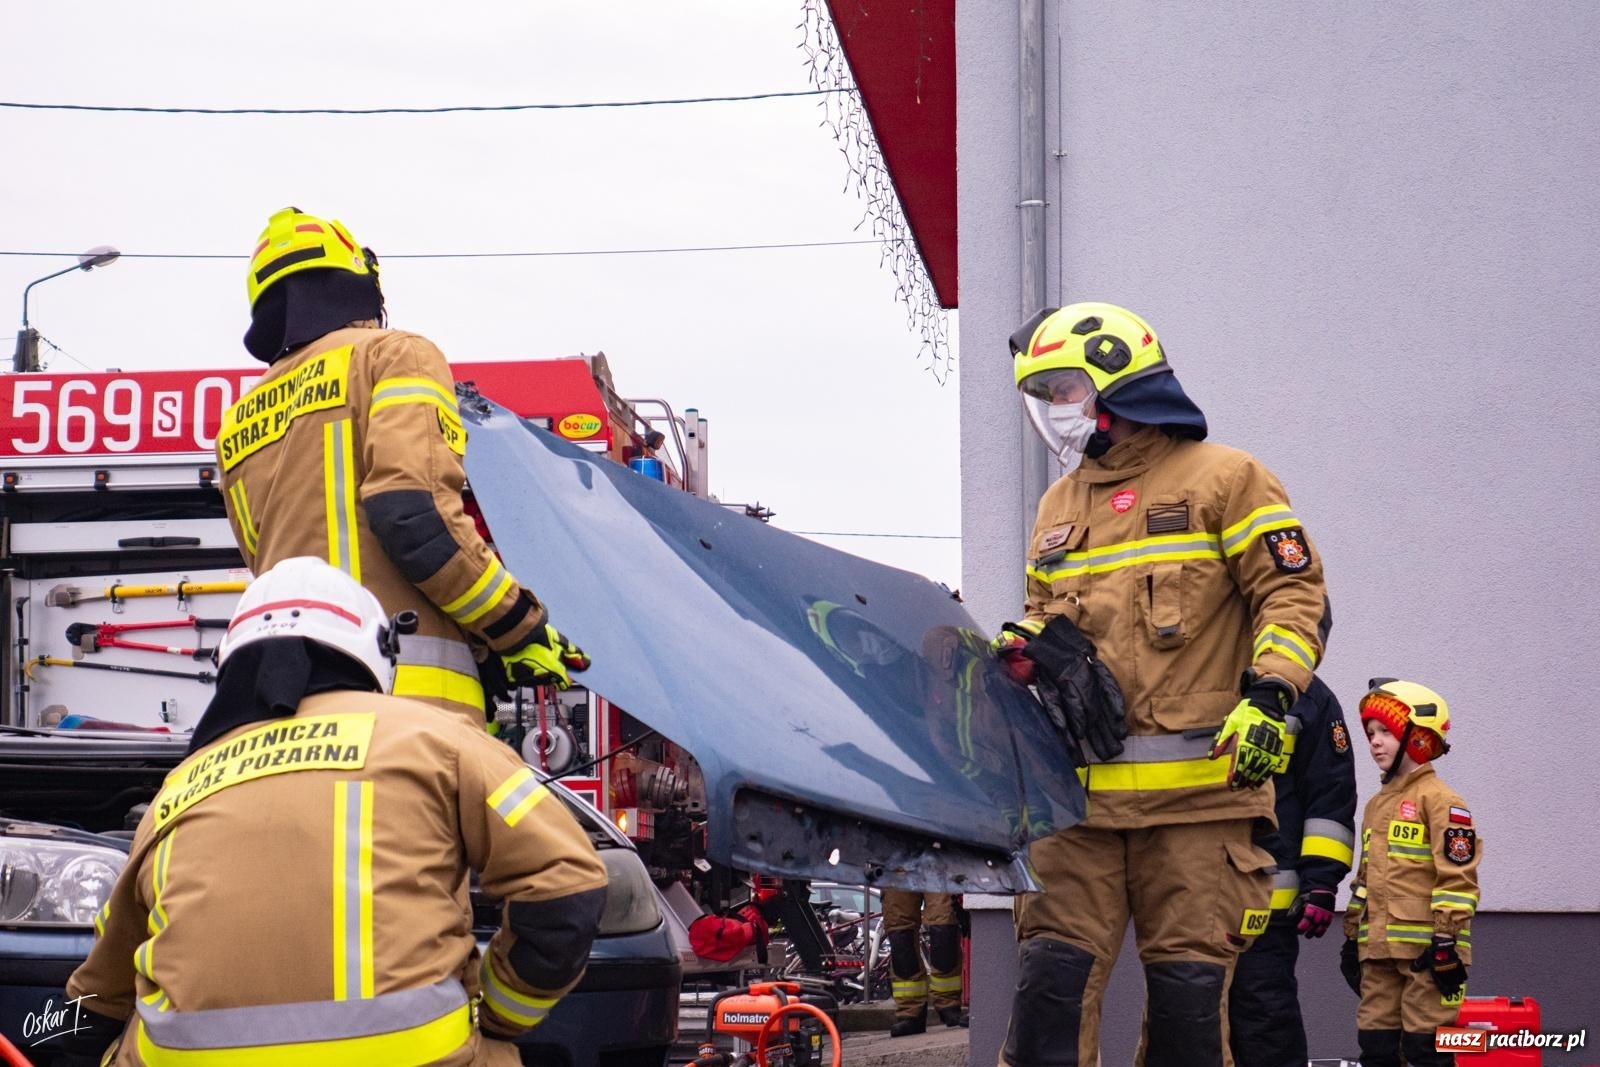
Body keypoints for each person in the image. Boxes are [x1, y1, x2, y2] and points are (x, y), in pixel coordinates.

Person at [55, 556, 609, 1067]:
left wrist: (35, 1031)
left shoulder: (181, 786)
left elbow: (93, 995)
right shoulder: (437, 739)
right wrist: (502, 1016)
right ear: (379, 650)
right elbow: (567, 883)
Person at [993, 302, 1328, 1067]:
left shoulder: (1226, 478)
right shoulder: (1057, 506)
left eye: (1065, 388)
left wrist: (1273, 694)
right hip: (1076, 808)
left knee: (1186, 1019)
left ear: (1117, 377)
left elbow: (1293, 593)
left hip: (1200, 809)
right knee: (1047, 1002)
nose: (1055, 409)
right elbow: (1043, 619)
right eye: (1044, 395)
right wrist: (1028, 657)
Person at [217, 206, 588, 728]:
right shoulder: (395, 356)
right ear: (356, 283)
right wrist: (515, 627)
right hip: (406, 704)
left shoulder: (237, 421)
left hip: (285, 713)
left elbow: (266, 569)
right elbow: (413, 517)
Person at [1341, 679, 1480, 1067]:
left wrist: (1445, 941)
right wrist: (1353, 936)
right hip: (1378, 951)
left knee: (1426, 1050)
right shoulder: (1375, 806)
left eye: (1386, 731)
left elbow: (1458, 876)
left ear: (1418, 737)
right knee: (1377, 1049)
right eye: (1370, 733)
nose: (1374, 742)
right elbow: (1365, 879)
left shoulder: (1441, 801)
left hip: (1430, 956)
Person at [1228, 660, 1357, 1067]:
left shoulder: (1310, 697)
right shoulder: (1193, 678)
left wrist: (1320, 882)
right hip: (1188, 894)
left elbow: (1330, 794)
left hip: (1266, 902)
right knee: (1187, 1019)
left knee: (1264, 1014)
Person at [882, 888, 968, 1036]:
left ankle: (948, 1005)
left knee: (944, 929)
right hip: (894, 867)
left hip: (936, 866)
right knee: (901, 936)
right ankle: (910, 1013)